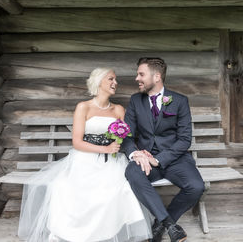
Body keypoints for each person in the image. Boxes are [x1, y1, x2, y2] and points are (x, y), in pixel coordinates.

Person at [18, 68, 152, 242]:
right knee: (61, 187)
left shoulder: (118, 110)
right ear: (98, 82)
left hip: (111, 162)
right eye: (111, 79)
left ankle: (109, 233)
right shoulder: (83, 107)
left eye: (116, 79)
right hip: (84, 160)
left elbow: (127, 138)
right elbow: (77, 142)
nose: (115, 83)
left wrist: (137, 151)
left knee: (117, 189)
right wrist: (104, 149)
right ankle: (71, 233)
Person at [122, 58, 205, 242]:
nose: (137, 78)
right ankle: (169, 224)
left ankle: (158, 226)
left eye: (141, 74)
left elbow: (184, 140)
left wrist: (159, 160)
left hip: (175, 159)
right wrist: (136, 154)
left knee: (196, 187)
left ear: (157, 76)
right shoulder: (136, 101)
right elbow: (127, 136)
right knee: (132, 172)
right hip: (145, 159)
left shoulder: (180, 101)